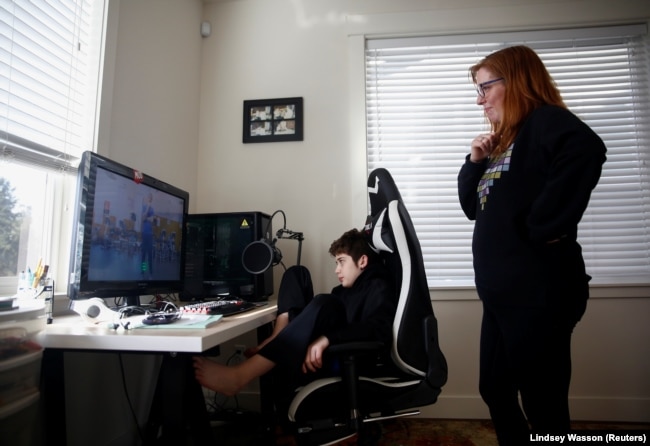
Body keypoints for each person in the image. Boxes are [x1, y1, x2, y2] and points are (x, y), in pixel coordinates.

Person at [457, 46, 606, 445]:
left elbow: (587, 150)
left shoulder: (545, 121)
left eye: (485, 86)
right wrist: (475, 161)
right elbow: (473, 207)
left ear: (516, 81)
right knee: (494, 388)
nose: (479, 98)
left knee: (543, 404)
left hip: (538, 294)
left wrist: (542, 224)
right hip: (503, 296)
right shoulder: (506, 142)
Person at [193, 228, 395, 404]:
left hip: (333, 356)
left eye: (341, 262)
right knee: (296, 273)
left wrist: (327, 338)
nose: (336, 270)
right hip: (310, 345)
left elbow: (378, 329)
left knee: (326, 301)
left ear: (362, 261)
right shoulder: (344, 291)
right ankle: (279, 333)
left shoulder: (378, 286)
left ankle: (239, 376)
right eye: (336, 263)